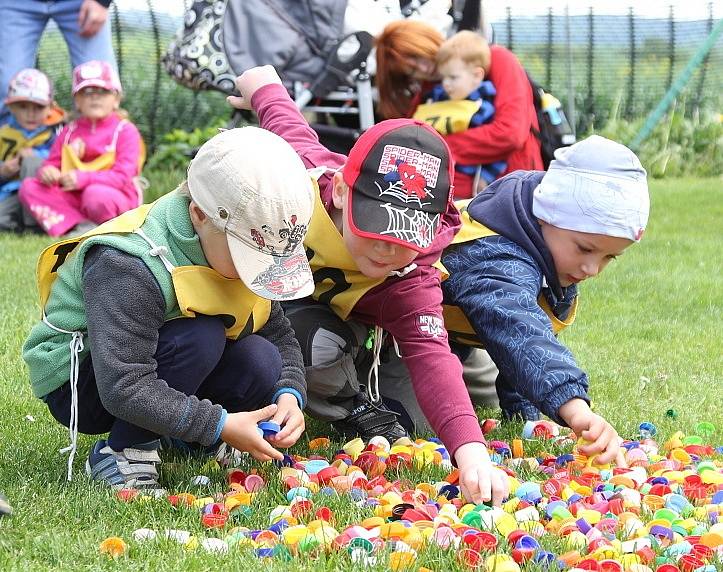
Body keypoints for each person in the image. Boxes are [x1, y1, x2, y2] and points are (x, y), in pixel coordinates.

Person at [229, 65, 509, 506]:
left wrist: (470, 451)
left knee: (415, 421)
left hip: (377, 332)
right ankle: (344, 398)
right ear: (341, 192)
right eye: (375, 231)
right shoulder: (301, 184)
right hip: (298, 316)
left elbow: (432, 357)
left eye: (402, 240)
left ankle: (385, 372)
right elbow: (287, 126)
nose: (385, 252)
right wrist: (262, 85)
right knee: (308, 345)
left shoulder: (411, 274)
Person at [22, 126, 316, 488]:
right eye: (248, 256)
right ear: (199, 215)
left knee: (262, 357)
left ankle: (182, 432)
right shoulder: (129, 262)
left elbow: (278, 335)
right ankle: (124, 451)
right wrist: (219, 425)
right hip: (88, 380)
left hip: (160, 360)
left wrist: (289, 395)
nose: (255, 270)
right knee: (202, 335)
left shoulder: (227, 247)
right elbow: (123, 384)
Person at [432, 135, 648, 464]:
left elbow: (522, 342)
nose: (592, 268)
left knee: (485, 394)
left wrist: (527, 420)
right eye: (585, 249)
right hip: (397, 339)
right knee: (420, 417)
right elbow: (520, 333)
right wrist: (575, 408)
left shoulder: (545, 244)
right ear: (547, 216)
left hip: (455, 338)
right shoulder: (495, 256)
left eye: (609, 257)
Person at [375, 20, 543, 198]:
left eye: (418, 57)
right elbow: (410, 145)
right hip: (457, 201)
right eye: (412, 71)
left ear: (427, 41)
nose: (424, 68)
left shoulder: (495, 59)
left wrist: (435, 149)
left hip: (512, 191)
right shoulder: (428, 89)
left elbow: (510, 133)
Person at [19, 60, 144, 237]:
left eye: (103, 91)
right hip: (73, 197)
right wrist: (47, 171)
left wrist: (82, 179)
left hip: (113, 196)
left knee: (95, 195)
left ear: (116, 99)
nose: (95, 97)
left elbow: (123, 176)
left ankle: (104, 228)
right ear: (77, 101)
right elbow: (51, 163)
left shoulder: (125, 130)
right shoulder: (69, 131)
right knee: (29, 187)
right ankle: (80, 226)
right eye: (87, 92)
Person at [412, 30, 505, 198]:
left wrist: (486, 177)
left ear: (476, 76)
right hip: (431, 180)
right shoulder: (436, 97)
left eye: (453, 78)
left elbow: (497, 152)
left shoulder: (482, 107)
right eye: (444, 78)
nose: (446, 84)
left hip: (466, 189)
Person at [0, 0, 116, 122]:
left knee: (100, 88)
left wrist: (101, 1)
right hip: (15, 4)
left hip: (81, 3)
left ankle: (101, 139)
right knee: (6, 87)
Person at [0, 68, 64, 231]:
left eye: (38, 107)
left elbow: (65, 160)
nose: (31, 114)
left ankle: (33, 224)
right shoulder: (4, 133)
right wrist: (4, 171)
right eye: (23, 107)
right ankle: (15, 222)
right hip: (12, 192)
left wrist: (37, 156)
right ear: (11, 107)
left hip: (48, 193)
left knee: (32, 161)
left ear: (50, 107)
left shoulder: (57, 131)